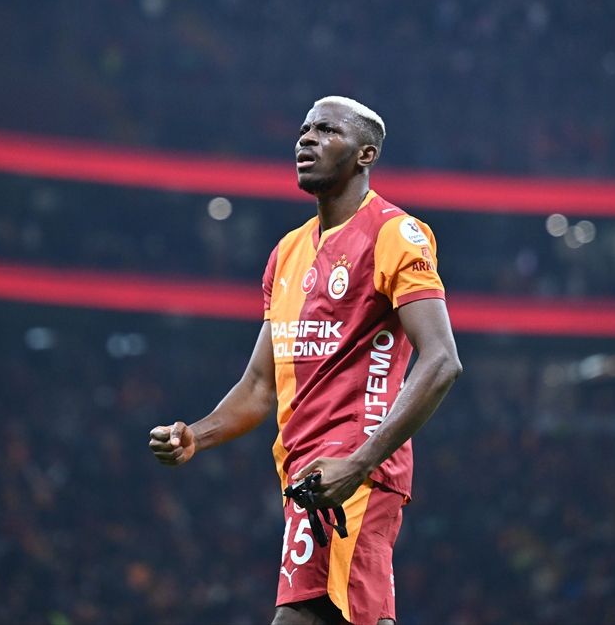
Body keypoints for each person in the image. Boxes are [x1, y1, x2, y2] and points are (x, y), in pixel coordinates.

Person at [150, 96, 462, 625]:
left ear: (365, 155)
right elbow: (259, 385)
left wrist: (360, 463)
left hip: (354, 471)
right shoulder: (287, 253)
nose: (307, 139)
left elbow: (442, 361)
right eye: (303, 130)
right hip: (305, 475)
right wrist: (195, 436)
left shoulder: (394, 233)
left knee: (303, 617)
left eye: (327, 130)